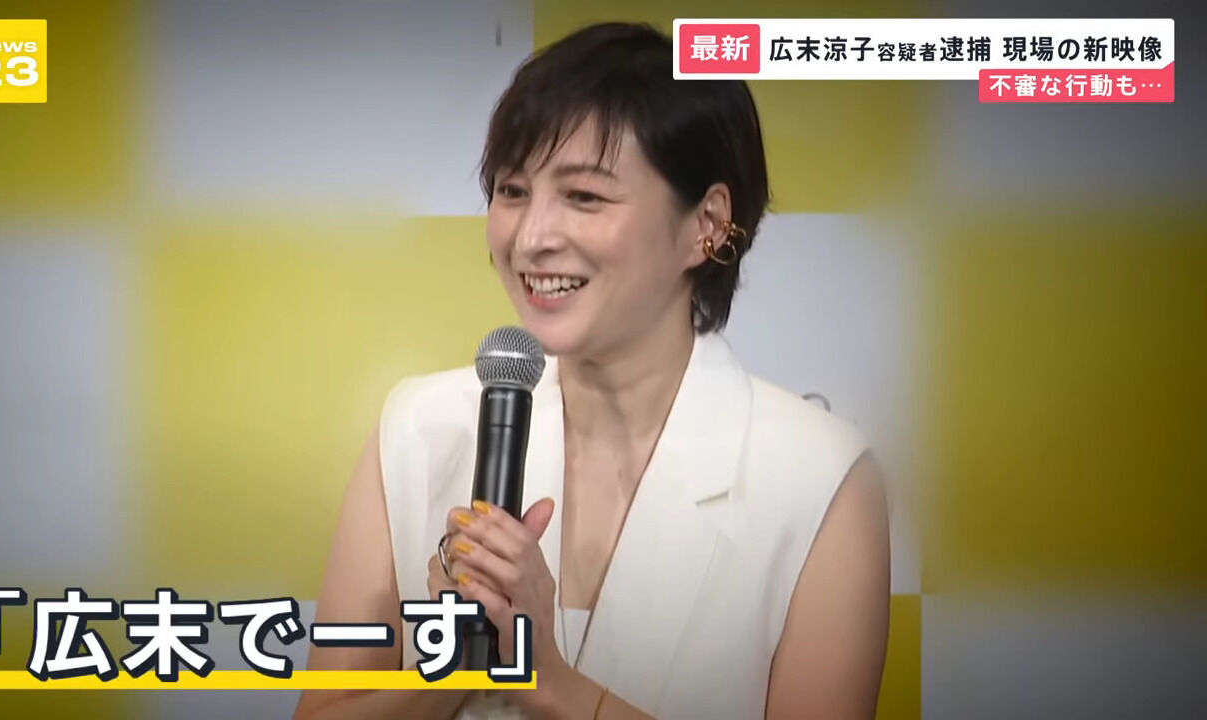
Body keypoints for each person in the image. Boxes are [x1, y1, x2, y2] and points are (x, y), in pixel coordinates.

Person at [294, 21, 890, 720]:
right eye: (512, 190)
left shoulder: (819, 477)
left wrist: (554, 684)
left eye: (584, 197)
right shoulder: (419, 428)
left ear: (707, 224)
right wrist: (457, 665)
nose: (532, 238)